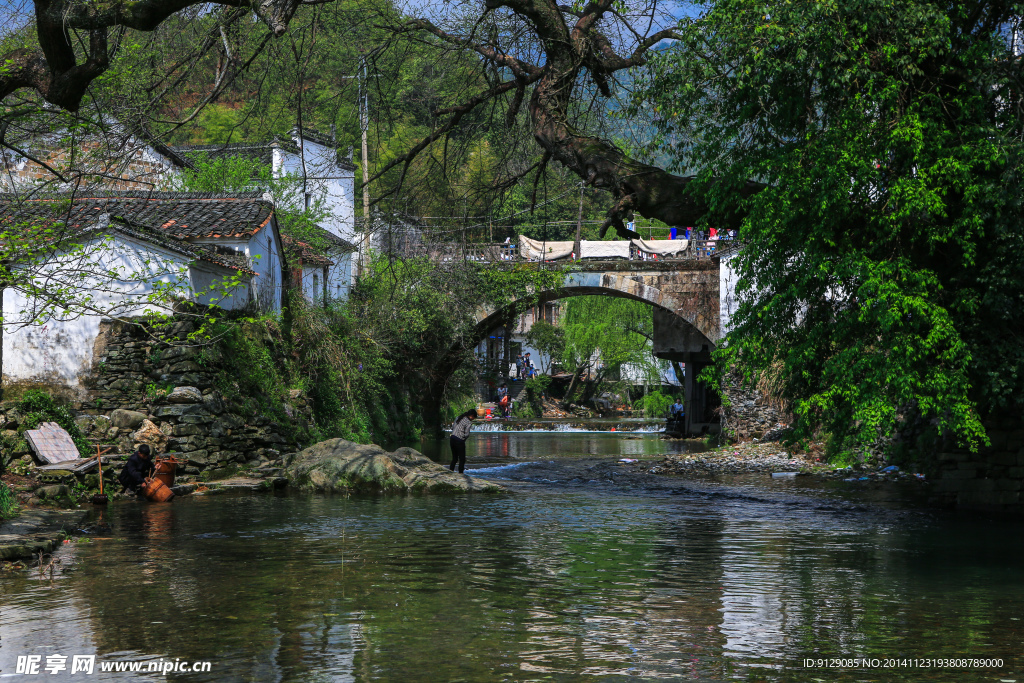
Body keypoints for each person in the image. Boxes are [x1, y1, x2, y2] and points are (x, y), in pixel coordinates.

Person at [449, 409, 476, 473]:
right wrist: (463, 440)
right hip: (459, 440)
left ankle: (450, 472)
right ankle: (461, 473)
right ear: (472, 416)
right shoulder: (468, 422)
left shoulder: (458, 417)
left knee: (454, 458)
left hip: (452, 438)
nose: (473, 419)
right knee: (462, 459)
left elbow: (452, 427)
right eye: (474, 418)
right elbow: (466, 434)